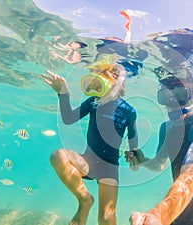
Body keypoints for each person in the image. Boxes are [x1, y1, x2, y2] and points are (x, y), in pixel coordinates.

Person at [126, 64, 193, 225]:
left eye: (181, 96)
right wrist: (143, 160)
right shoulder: (166, 129)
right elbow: (159, 164)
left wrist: (159, 216)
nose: (173, 104)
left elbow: (190, 178)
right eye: (166, 96)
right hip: (178, 215)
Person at [41, 61, 141, 225]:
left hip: (109, 168)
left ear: (116, 83)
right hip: (87, 162)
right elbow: (68, 118)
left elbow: (133, 137)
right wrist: (63, 93)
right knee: (58, 156)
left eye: (100, 82)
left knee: (106, 217)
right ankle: (85, 200)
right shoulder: (93, 102)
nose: (96, 89)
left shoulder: (129, 110)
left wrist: (133, 153)